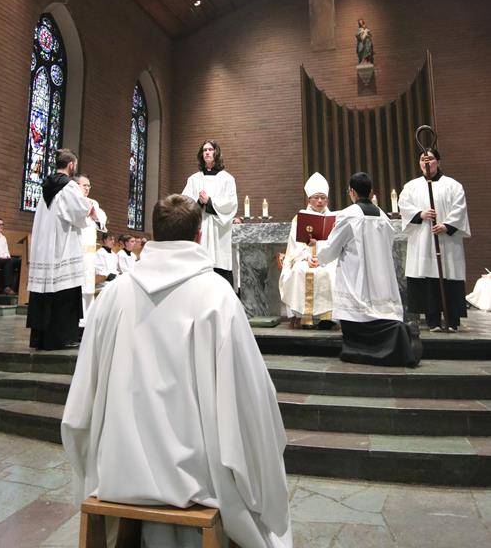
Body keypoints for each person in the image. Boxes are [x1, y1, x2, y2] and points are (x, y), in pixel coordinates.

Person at [62, 194, 292, 548]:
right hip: (200, 481)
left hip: (116, 472)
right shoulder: (217, 296)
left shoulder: (113, 295)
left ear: (153, 235)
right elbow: (251, 400)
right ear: (199, 236)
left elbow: (79, 407)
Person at [314, 172, 421, 367]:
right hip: (381, 276)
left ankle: (373, 344)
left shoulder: (348, 215)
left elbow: (331, 249)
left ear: (352, 192)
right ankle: (401, 332)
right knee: (381, 312)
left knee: (360, 313)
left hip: (357, 276)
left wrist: (318, 245)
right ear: (371, 192)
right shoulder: (382, 215)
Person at [26, 148, 93, 350]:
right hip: (62, 247)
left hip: (44, 249)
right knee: (64, 291)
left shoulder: (45, 186)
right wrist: (89, 210)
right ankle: (61, 338)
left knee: (45, 293)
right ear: (71, 165)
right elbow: (80, 213)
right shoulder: (69, 187)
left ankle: (41, 339)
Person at [398, 149, 471, 332]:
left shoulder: (453, 186)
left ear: (438, 161)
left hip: (447, 241)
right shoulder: (411, 187)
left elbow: (459, 209)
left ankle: (452, 320)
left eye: (430, 159)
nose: (426, 162)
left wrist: (447, 225)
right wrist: (420, 214)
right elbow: (404, 206)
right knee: (428, 278)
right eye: (423, 159)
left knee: (449, 275)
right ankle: (433, 321)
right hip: (423, 240)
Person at [279, 172, 337, 329]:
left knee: (329, 272)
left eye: (323, 197)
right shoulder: (300, 218)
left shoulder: (334, 219)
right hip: (304, 258)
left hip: (328, 259)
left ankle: (327, 318)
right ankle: (305, 317)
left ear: (327, 199)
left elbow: (337, 244)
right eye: (316, 197)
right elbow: (294, 246)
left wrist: (323, 256)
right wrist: (306, 257)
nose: (320, 201)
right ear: (309, 198)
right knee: (299, 271)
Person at [182, 139, 237, 285]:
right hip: (200, 227)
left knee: (219, 265)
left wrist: (210, 202)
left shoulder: (227, 179)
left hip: (219, 231)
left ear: (216, 153)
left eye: (210, 150)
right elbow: (184, 203)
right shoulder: (193, 179)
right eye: (204, 150)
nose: (207, 152)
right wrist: (199, 202)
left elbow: (232, 204)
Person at [75, 174, 107, 325]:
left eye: (89, 186)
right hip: (76, 251)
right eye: (84, 185)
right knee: (77, 286)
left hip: (89, 253)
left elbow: (101, 219)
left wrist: (95, 216)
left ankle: (87, 319)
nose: (87, 188)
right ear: (75, 186)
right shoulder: (72, 201)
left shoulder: (93, 202)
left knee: (88, 285)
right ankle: (76, 319)